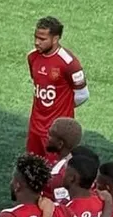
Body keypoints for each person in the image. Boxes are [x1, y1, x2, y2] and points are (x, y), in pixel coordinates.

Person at [26, 16, 88, 158]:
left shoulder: (69, 63)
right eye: (36, 37)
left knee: (55, 169)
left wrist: (62, 106)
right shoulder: (32, 57)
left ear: (55, 39)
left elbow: (83, 94)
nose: (37, 42)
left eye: (42, 39)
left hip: (56, 133)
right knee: (32, 166)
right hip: (35, 127)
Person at [43, 117, 83, 202]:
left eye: (50, 135)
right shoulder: (73, 159)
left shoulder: (60, 176)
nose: (46, 136)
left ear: (60, 144)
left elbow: (62, 206)